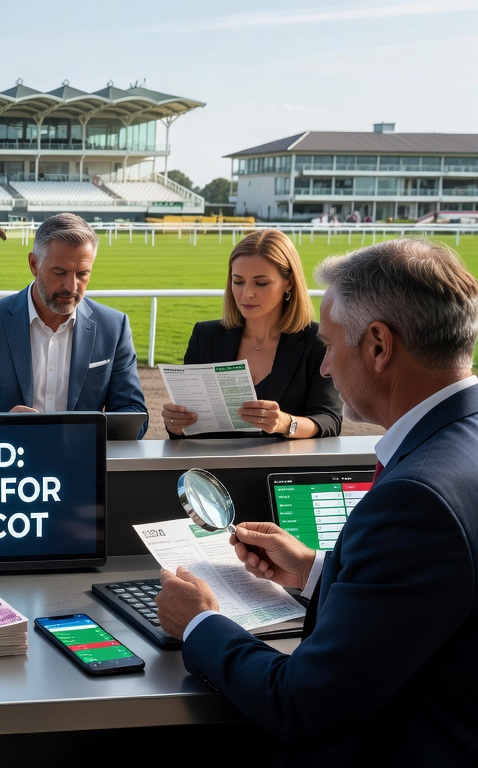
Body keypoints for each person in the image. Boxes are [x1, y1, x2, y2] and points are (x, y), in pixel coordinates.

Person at [156, 238, 478, 764]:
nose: (324, 367)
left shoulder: (417, 500)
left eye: (329, 346)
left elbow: (302, 705)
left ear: (378, 345)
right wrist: (312, 570)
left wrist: (199, 624)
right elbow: (427, 599)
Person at [0, 213, 147, 434]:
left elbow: (134, 413)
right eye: (60, 272)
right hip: (8, 463)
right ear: (33, 264)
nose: (72, 286)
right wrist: (0, 423)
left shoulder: (114, 326)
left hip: (82, 465)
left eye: (82, 274)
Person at [161, 229, 342, 439]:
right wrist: (176, 424)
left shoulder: (318, 341)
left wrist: (286, 423)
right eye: (238, 281)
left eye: (261, 282)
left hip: (282, 469)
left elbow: (329, 421)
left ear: (289, 282)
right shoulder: (205, 336)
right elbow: (186, 428)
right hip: (214, 468)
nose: (247, 293)